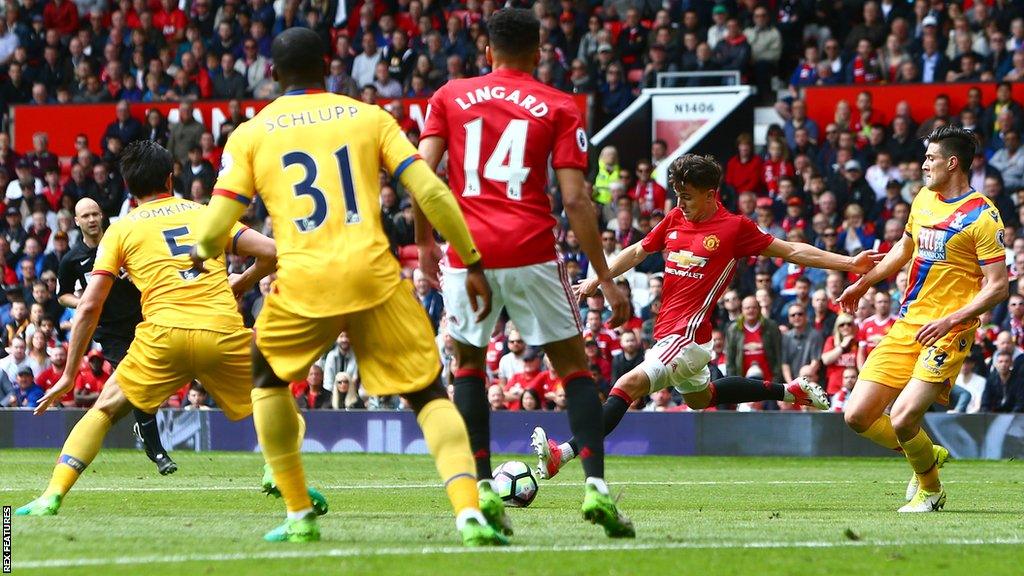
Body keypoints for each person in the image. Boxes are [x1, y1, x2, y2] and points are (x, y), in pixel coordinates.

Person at [190, 28, 504, 546]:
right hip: (375, 277)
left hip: (304, 282)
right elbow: (429, 188)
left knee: (267, 381)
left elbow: (210, 231)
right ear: (330, 64)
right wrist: (469, 259)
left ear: (272, 73)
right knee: (428, 394)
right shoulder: (369, 117)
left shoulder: (252, 133)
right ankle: (468, 512)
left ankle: (298, 515)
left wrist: (203, 249)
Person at [415, 8, 634, 539]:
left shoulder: (449, 95)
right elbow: (577, 199)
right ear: (540, 53)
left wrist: (425, 246)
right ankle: (596, 489)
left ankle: (484, 486)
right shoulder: (560, 105)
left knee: (469, 365)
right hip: (533, 249)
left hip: (469, 255)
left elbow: (421, 174)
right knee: (574, 370)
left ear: (487, 51)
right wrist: (604, 275)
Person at [535, 153, 882, 480]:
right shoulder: (674, 219)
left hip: (684, 337)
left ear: (711, 195)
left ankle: (562, 454)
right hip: (679, 337)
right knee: (700, 399)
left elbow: (791, 250)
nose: (679, 203)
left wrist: (849, 263)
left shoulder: (734, 228)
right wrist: (599, 277)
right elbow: (638, 250)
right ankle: (789, 391)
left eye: (687, 196)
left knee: (626, 385)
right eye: (676, 194)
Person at [15, 141, 289, 519]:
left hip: (162, 337)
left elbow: (90, 305)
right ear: (170, 177)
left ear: (128, 188)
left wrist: (67, 375)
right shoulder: (207, 214)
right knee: (273, 396)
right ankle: (276, 469)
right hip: (221, 330)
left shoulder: (122, 229)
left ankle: (51, 496)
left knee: (104, 409)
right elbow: (272, 251)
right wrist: (240, 282)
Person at [838, 126, 1009, 513]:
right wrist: (863, 284)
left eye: (931, 158)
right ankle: (927, 453)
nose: (924, 164)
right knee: (858, 415)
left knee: (902, 418)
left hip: (949, 330)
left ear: (952, 163)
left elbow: (998, 288)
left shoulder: (983, 216)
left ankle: (931, 490)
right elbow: (904, 249)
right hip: (909, 322)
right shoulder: (924, 198)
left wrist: (951, 321)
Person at [57, 197, 177, 475]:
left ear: (102, 216)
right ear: (77, 221)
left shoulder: (120, 244)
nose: (91, 219)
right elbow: (62, 295)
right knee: (136, 381)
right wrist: (85, 301)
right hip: (110, 332)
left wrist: (133, 275)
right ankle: (157, 450)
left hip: (142, 321)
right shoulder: (72, 260)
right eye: (85, 215)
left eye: (95, 213)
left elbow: (150, 271)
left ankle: (142, 423)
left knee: (157, 377)